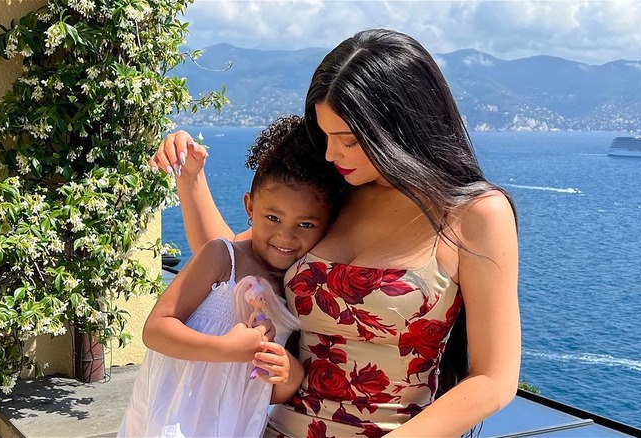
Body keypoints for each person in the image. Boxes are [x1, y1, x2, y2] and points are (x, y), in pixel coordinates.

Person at [152, 29, 520, 437]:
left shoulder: (473, 214)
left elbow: (494, 379)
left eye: (347, 140)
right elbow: (233, 260)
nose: (330, 154)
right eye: (326, 136)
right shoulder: (337, 191)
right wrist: (190, 177)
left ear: (399, 129)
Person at [119, 115, 345, 437]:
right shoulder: (221, 257)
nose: (286, 236)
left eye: (306, 224)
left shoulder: (293, 291)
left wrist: (291, 374)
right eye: (273, 218)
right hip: (172, 420)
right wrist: (226, 348)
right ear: (250, 208)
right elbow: (155, 330)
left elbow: (266, 392)